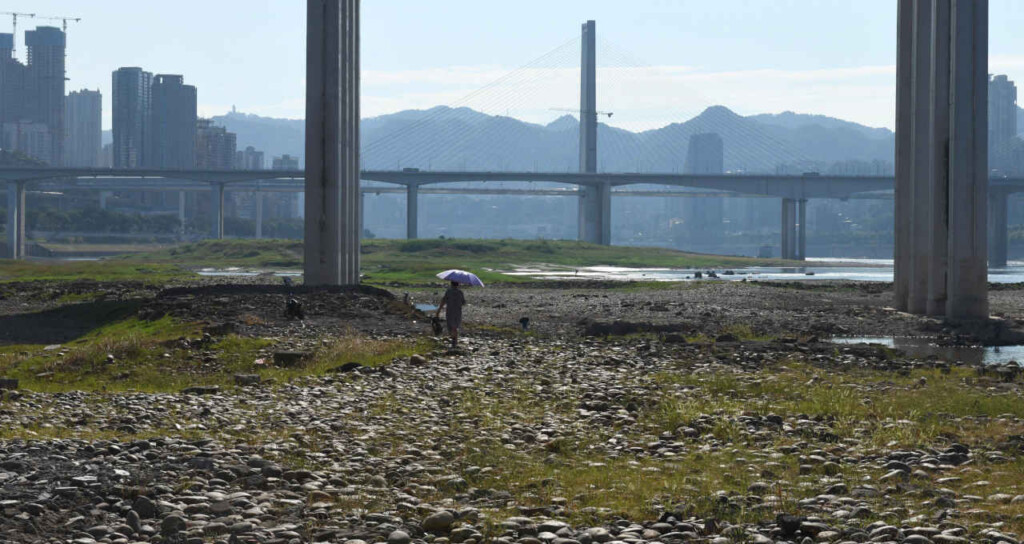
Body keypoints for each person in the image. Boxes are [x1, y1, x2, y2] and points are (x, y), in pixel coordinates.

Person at [436, 281, 466, 348]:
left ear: (451, 284)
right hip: (458, 312)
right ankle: (454, 341)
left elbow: (443, 301)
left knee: (451, 326)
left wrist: (439, 310)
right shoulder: (460, 292)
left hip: (450, 311)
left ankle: (454, 341)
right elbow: (463, 302)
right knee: (455, 326)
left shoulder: (449, 291)